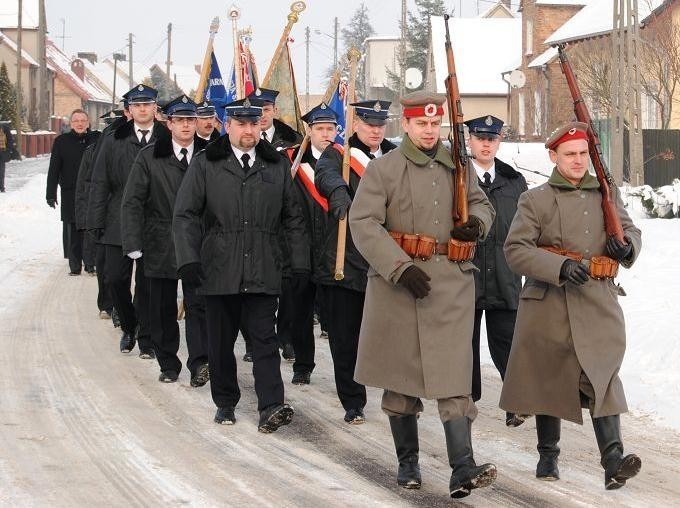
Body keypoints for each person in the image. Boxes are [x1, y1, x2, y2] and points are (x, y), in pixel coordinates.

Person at [349, 91, 497, 498]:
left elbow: (484, 206)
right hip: (400, 285)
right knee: (401, 379)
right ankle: (407, 463)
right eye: (422, 124)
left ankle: (462, 467)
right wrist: (399, 267)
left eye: (435, 125)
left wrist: (476, 226)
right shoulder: (384, 170)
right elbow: (363, 224)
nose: (429, 131)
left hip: (450, 282)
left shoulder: (458, 166)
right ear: (408, 125)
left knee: (454, 378)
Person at [500, 122, 642, 489]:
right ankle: (548, 455)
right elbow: (516, 250)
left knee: (603, 375)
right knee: (551, 377)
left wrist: (627, 249)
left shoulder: (606, 196)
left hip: (598, 300)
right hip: (549, 302)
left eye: (583, 154)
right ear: (553, 156)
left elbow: (631, 231)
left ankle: (613, 460)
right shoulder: (535, 199)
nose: (578, 161)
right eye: (570, 154)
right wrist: (559, 266)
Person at [173, 97, 309, 432]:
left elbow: (293, 217)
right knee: (220, 342)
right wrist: (189, 259)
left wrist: (299, 263)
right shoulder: (206, 164)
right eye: (241, 124)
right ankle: (225, 401)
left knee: (265, 340)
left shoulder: (275, 165)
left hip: (264, 266)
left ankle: (271, 405)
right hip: (218, 269)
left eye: (254, 123)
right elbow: (185, 215)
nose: (249, 130)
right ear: (227, 126)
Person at [314, 99, 397, 425]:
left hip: (386, 259)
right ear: (356, 125)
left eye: (380, 124)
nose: (376, 130)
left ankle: (398, 393)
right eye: (369, 124)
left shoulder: (394, 155)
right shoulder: (339, 155)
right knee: (345, 337)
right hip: (345, 259)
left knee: (390, 334)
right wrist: (340, 196)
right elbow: (326, 177)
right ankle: (353, 400)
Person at [121, 95, 210, 387]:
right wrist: (133, 242)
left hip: (199, 242)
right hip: (160, 240)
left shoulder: (211, 155)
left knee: (199, 306)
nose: (186, 125)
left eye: (191, 120)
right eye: (180, 120)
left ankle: (200, 363)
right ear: (168, 123)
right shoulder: (150, 156)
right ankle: (168, 362)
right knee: (161, 307)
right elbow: (133, 202)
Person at [464, 115, 529, 427]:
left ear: (499, 141)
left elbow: (527, 226)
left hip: (505, 273)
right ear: (470, 140)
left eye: (492, 138)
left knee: (509, 342)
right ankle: (466, 401)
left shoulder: (514, 181)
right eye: (480, 138)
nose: (486, 143)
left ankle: (515, 403)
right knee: (465, 343)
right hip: (467, 272)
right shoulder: (457, 177)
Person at [88, 84, 161, 358]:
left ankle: (146, 338)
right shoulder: (113, 138)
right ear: (128, 110)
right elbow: (99, 182)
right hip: (117, 218)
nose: (143, 109)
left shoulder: (167, 137)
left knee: (148, 283)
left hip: (154, 220)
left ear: (155, 108)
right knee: (115, 279)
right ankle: (129, 325)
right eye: (137, 105)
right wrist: (94, 222)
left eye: (148, 104)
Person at [282, 102, 338, 385]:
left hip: (333, 248)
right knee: (300, 311)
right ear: (309, 131)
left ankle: (346, 371)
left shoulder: (346, 161)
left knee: (335, 314)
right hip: (301, 247)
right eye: (320, 129)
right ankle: (303, 364)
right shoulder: (292, 162)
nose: (325, 134)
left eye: (330, 128)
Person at [46, 109, 100, 275]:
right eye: (76, 120)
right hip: (70, 191)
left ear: (88, 122)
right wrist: (51, 193)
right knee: (73, 227)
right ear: (71, 123)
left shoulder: (97, 139)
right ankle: (75, 266)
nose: (80, 123)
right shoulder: (62, 141)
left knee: (91, 228)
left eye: (83, 120)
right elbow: (54, 169)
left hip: (92, 191)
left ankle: (90, 264)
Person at [0, 115, 16, 192]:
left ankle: (2, 187)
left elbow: (9, 140)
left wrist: (9, 150)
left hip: (2, 152)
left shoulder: (4, 127)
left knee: (1, 171)